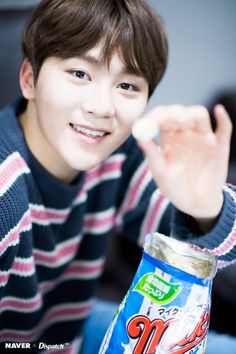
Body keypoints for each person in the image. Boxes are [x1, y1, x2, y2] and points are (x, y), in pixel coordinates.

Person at [0, 0, 235, 353]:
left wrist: (205, 206)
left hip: (68, 332)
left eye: (127, 86)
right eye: (80, 74)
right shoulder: (6, 193)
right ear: (29, 79)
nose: (101, 108)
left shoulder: (118, 155)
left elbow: (212, 254)